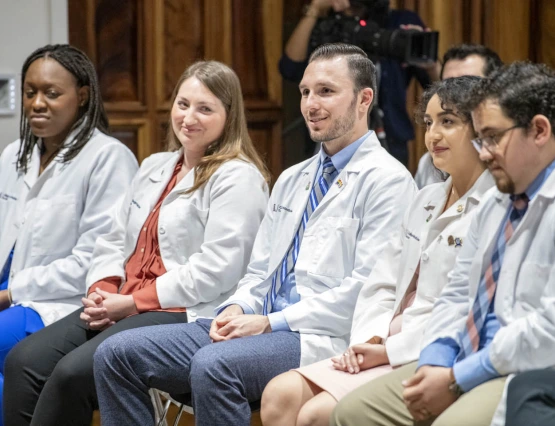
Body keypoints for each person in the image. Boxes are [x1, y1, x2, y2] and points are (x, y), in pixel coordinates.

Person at [92, 43, 417, 426]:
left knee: (214, 365)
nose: (311, 104)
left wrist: (269, 323)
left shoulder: (389, 181)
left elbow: (365, 291)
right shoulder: (295, 178)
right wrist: (239, 307)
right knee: (116, 354)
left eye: (326, 91)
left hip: (316, 333)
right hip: (257, 321)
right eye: (305, 92)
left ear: (364, 99)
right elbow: (259, 270)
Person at [3, 60, 270, 426]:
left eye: (205, 109)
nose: (189, 117)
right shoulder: (155, 166)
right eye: (182, 104)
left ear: (229, 116)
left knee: (71, 374)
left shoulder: (238, 177)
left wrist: (130, 303)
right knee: (24, 360)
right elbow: (113, 239)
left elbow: (217, 271)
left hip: (179, 310)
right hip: (123, 298)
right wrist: (103, 288)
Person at [331, 62, 555, 426]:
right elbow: (457, 294)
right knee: (352, 413)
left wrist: (456, 376)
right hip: (459, 353)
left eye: (491, 137)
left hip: (526, 367)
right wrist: (437, 359)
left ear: (539, 130)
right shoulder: (498, 201)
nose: (484, 152)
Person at [261, 76, 494, 426]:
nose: (433, 135)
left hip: (428, 348)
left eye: (448, 122)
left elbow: (462, 309)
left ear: (481, 130)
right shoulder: (426, 198)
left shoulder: (494, 206)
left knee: (316, 414)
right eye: (429, 123)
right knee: (280, 394)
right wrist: (370, 339)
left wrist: (388, 350)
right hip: (383, 339)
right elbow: (381, 283)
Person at [0, 44, 138, 426]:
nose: (38, 103)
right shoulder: (15, 155)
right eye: (30, 93)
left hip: (59, 304)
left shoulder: (108, 159)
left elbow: (93, 262)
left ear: (82, 95)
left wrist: (10, 293)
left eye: (52, 93)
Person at [280, 0, 439, 166]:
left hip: (389, 135)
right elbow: (290, 68)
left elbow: (437, 89)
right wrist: (314, 9)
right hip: (330, 137)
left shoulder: (399, 22)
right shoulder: (327, 25)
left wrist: (429, 62)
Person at [415, 43, 503, 189]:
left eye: (467, 83)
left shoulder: (509, 171)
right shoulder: (429, 162)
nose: (454, 92)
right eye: (448, 83)